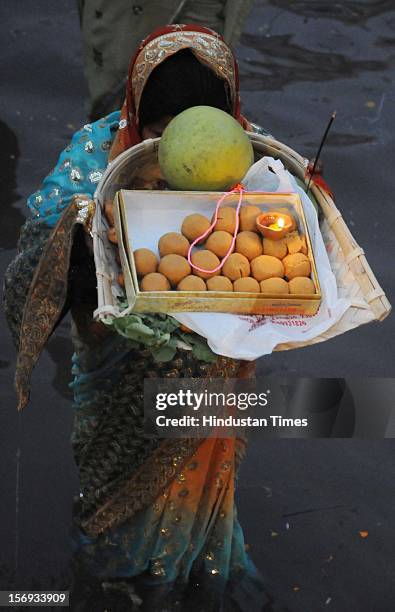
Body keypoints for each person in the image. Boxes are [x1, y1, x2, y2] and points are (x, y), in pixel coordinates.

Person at [4, 25, 282, 611]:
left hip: (213, 382)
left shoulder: (248, 155)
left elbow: (284, 252)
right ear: (135, 116)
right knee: (117, 534)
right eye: (157, 136)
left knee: (202, 510)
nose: (176, 155)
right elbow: (32, 264)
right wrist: (86, 241)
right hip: (120, 386)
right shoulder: (95, 156)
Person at [77, 0, 255, 119]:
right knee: (119, 98)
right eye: (158, 135)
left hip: (197, 10)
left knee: (200, 98)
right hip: (126, 14)